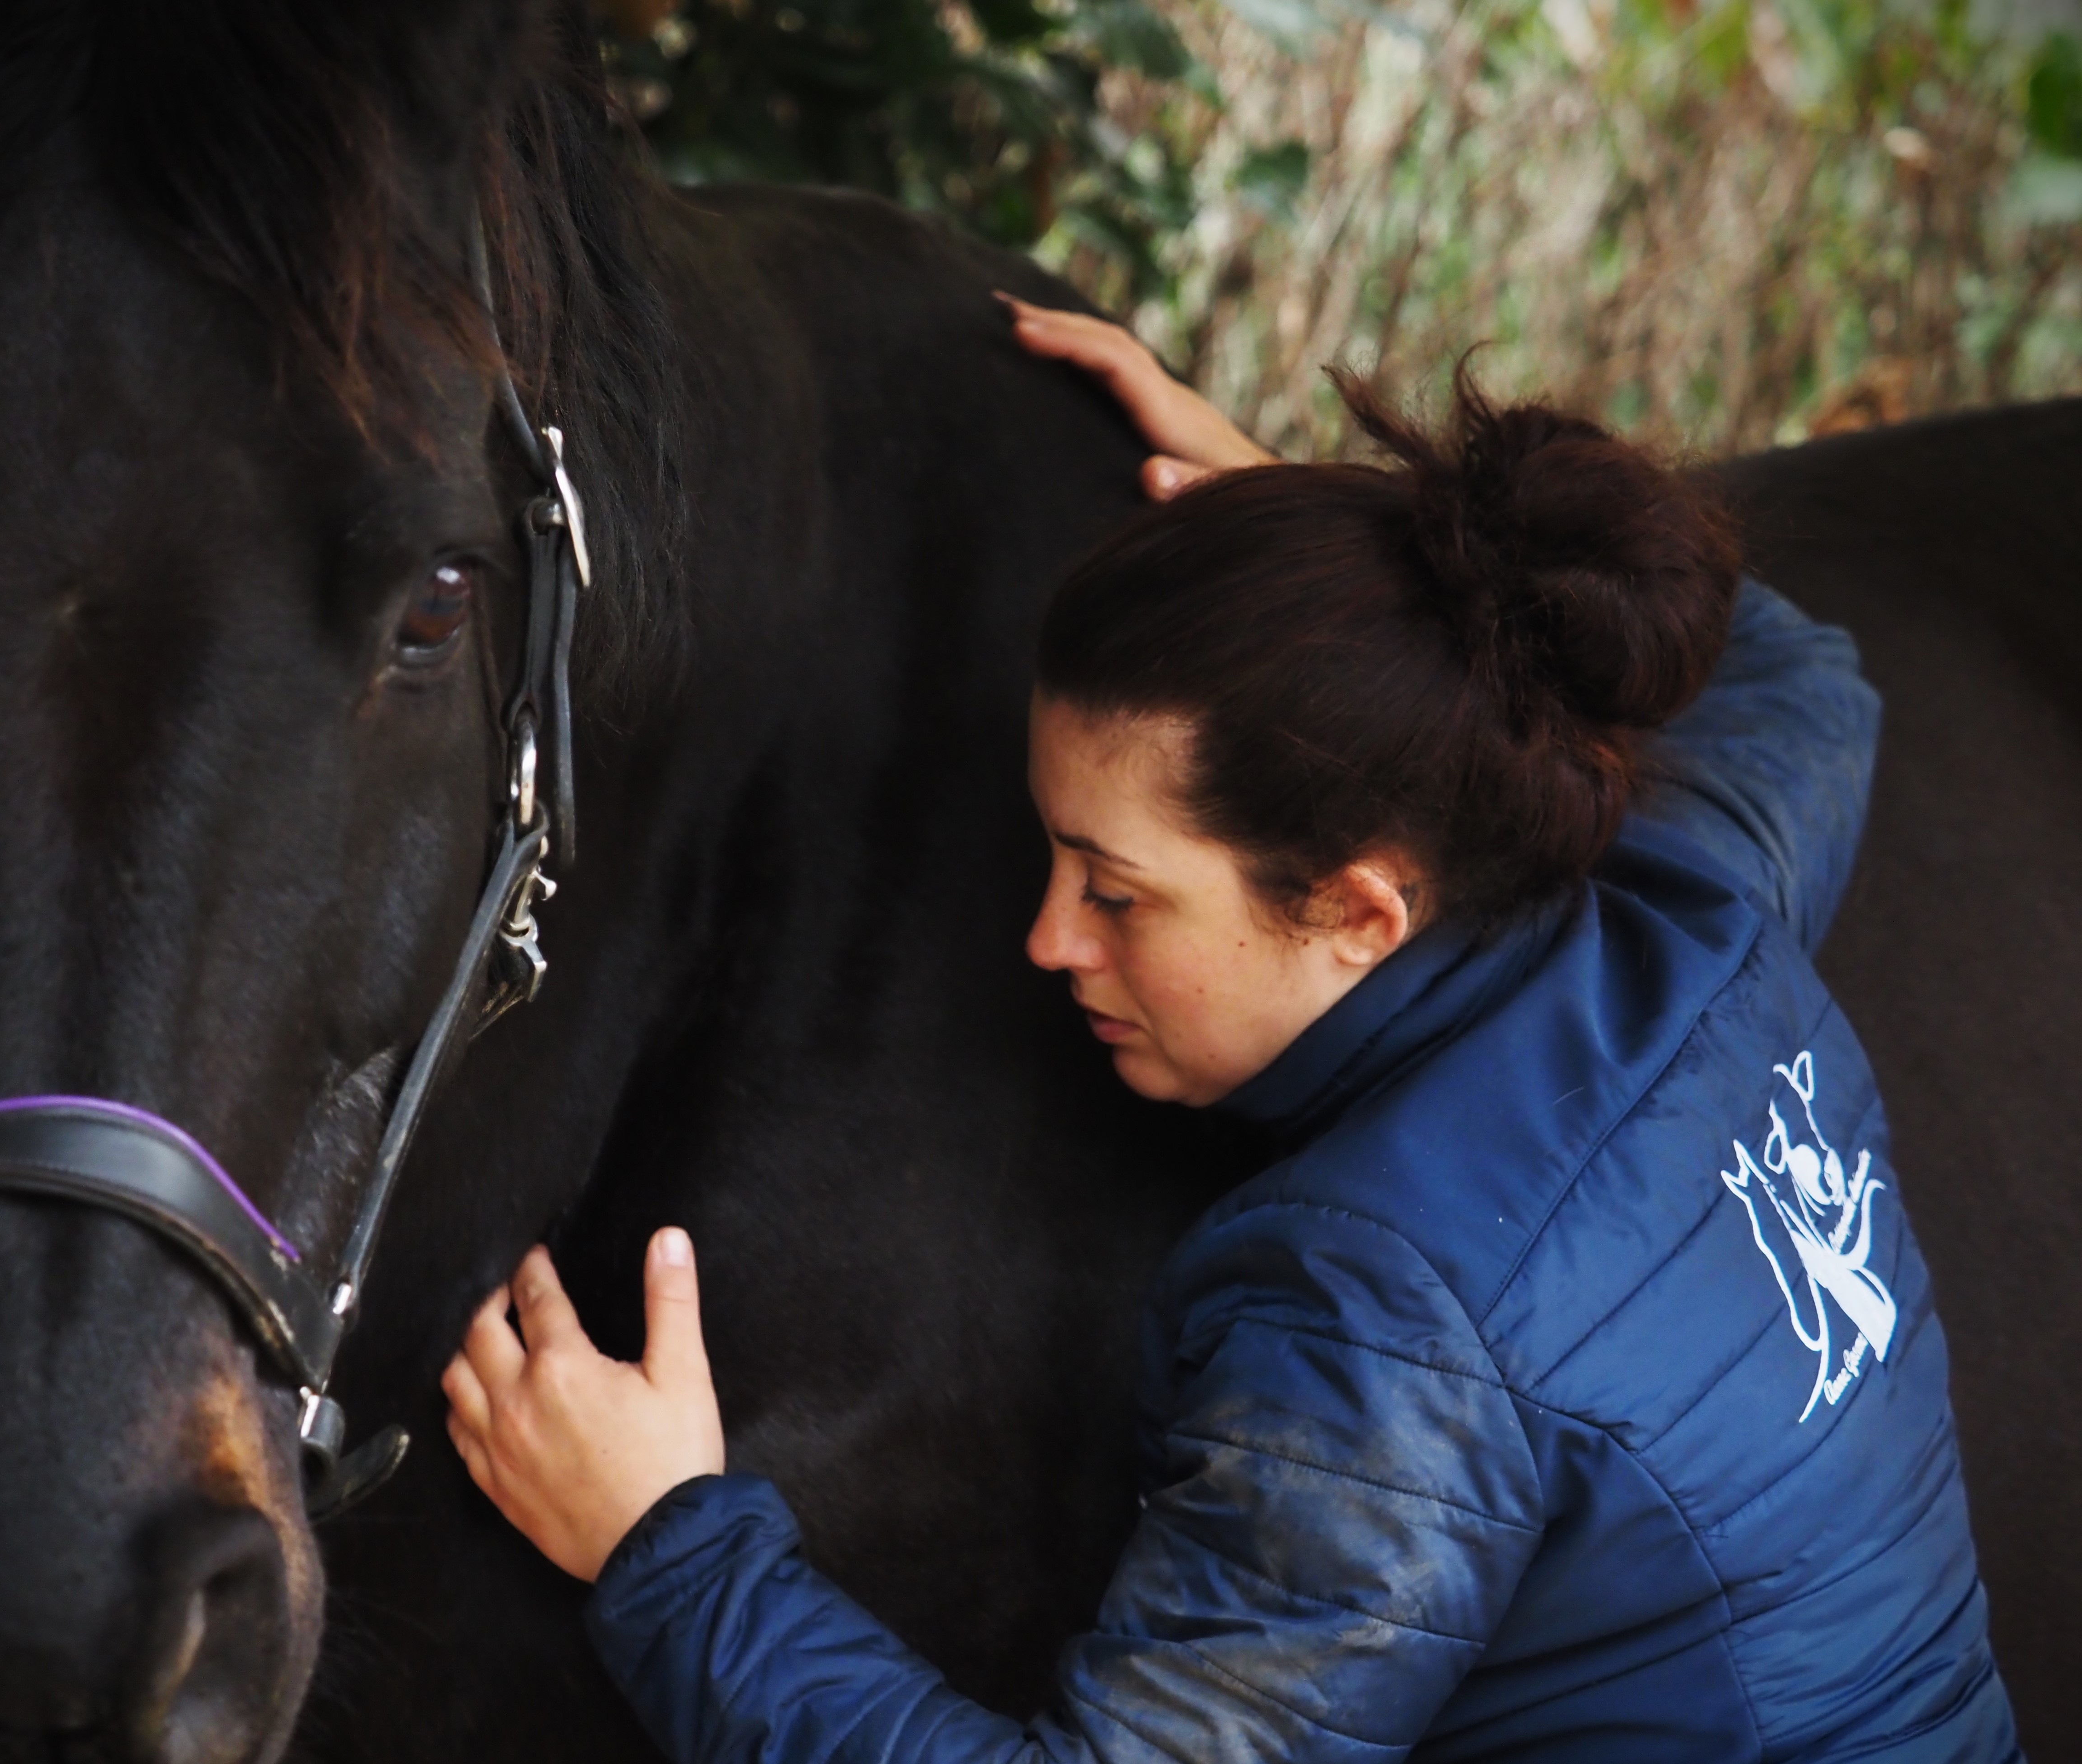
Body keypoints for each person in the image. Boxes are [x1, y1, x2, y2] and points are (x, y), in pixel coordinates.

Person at [440, 300, 2019, 1762]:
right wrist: (1390, 610)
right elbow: (1806, 680)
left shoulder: (1381, 1322)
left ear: (1358, 912)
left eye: (1118, 895)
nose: (1047, 938)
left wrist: (667, 1546)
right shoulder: (1702, 910)